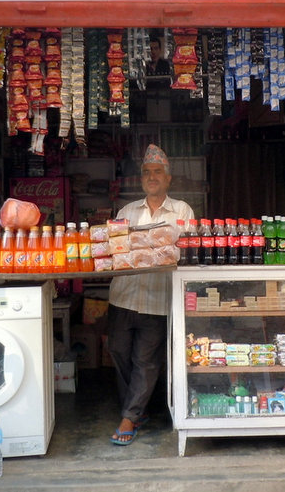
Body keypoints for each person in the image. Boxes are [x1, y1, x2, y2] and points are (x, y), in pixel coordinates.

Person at [108, 143, 194, 446]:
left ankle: (129, 417)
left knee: (146, 361)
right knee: (118, 353)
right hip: (123, 296)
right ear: (141, 179)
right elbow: (114, 249)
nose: (152, 177)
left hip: (158, 300)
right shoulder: (126, 212)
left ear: (168, 178)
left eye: (158, 172)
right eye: (147, 173)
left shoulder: (181, 211)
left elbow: (190, 250)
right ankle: (137, 408)